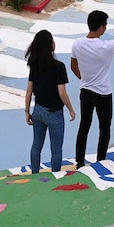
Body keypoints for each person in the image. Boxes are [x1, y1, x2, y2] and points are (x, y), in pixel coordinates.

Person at [70, 11, 114, 168]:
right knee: (104, 128)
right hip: (103, 93)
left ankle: (80, 162)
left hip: (86, 91)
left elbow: (73, 66)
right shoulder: (106, 46)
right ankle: (100, 160)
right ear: (102, 27)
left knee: (84, 126)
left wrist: (83, 79)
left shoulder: (77, 44)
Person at [24, 30, 76, 173]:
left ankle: (34, 173)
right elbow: (62, 92)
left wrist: (27, 111)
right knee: (56, 149)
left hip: (38, 111)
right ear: (50, 45)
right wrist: (71, 109)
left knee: (36, 146)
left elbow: (29, 91)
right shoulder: (59, 67)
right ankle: (56, 176)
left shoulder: (35, 66)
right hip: (54, 114)